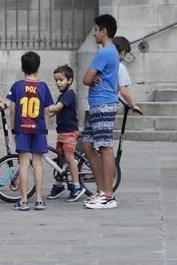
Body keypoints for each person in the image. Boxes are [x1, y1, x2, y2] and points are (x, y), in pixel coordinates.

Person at [6, 51, 55, 211]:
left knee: (24, 164)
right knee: (38, 164)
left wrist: (13, 130)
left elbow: (12, 109)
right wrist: (45, 129)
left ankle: (24, 200)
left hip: (22, 129)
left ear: (22, 67)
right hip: (38, 129)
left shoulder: (17, 86)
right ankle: (39, 200)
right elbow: (47, 111)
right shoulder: (44, 87)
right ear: (38, 68)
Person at [81, 13, 120, 209]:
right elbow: (90, 78)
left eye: (96, 30)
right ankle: (101, 190)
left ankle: (107, 194)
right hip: (97, 104)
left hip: (103, 103)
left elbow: (86, 79)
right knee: (88, 145)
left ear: (104, 32)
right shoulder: (109, 52)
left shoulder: (105, 52)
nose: (94, 33)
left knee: (104, 146)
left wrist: (93, 76)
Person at [44, 64, 86, 202]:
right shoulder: (63, 95)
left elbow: (56, 108)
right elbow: (54, 112)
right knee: (60, 159)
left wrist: (41, 109)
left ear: (69, 80)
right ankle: (59, 185)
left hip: (69, 132)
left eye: (60, 79)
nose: (57, 83)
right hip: (62, 132)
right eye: (56, 80)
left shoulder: (69, 94)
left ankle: (77, 186)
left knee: (68, 157)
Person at [111, 36, 144, 114]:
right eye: (125, 54)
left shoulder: (103, 63)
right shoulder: (120, 67)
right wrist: (133, 105)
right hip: (107, 105)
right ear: (122, 52)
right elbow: (124, 91)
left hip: (92, 105)